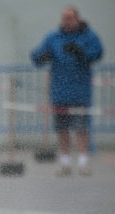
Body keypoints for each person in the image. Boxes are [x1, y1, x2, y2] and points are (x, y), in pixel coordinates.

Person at [31, 5, 103, 176]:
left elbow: (97, 53)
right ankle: (65, 163)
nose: (67, 21)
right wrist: (41, 57)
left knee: (81, 129)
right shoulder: (53, 37)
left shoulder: (88, 36)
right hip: (60, 92)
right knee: (62, 129)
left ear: (77, 19)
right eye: (64, 18)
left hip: (80, 93)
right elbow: (37, 55)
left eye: (70, 18)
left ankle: (83, 163)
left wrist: (81, 52)